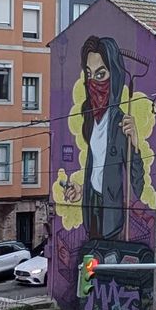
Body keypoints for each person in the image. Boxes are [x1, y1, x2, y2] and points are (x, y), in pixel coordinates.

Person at [62, 36, 145, 241]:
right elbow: (96, 169)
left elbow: (138, 185)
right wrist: (81, 190)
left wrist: (134, 143)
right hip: (91, 210)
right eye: (89, 75)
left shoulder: (121, 123)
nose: (94, 83)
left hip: (112, 217)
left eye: (101, 74)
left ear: (114, 75)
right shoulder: (89, 118)